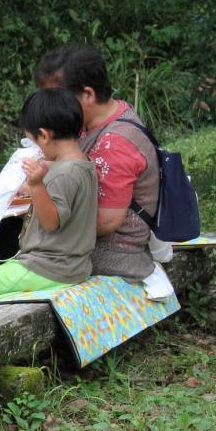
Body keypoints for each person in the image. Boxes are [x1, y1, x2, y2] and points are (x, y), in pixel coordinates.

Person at [0, 88, 98, 312]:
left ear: (44, 135)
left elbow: (52, 221)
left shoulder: (64, 173)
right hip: (74, 265)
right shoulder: (83, 164)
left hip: (49, 267)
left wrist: (35, 185)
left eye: (33, 141)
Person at [35, 43, 161, 281]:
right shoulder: (92, 122)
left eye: (57, 99)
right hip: (87, 244)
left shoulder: (116, 142)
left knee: (3, 254)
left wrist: (43, 209)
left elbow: (106, 221)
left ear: (88, 94)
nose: (50, 107)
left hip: (112, 254)